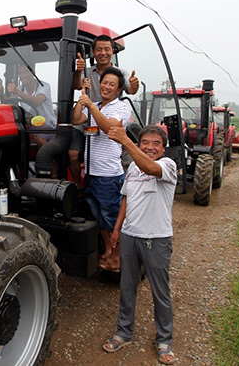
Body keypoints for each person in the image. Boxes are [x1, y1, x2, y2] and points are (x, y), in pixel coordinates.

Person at [103, 124, 177, 365]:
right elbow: (126, 197)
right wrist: (116, 229)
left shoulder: (167, 166)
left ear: (163, 149)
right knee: (127, 287)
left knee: (160, 291)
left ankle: (164, 339)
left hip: (156, 238)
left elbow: (150, 167)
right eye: (145, 142)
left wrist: (126, 141)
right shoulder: (133, 166)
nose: (150, 147)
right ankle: (124, 332)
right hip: (130, 236)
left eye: (156, 143)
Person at [72, 67, 131, 272]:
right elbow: (76, 119)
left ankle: (118, 257)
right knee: (99, 216)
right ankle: (108, 250)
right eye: (104, 82)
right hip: (91, 172)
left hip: (109, 175)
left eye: (111, 84)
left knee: (111, 217)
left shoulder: (121, 107)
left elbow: (110, 129)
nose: (106, 86)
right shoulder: (94, 104)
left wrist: (91, 107)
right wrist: (82, 98)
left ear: (118, 89)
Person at [69, 35, 140, 187]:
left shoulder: (121, 73)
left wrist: (135, 85)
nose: (103, 53)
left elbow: (131, 89)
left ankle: (127, 187)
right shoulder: (87, 72)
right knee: (73, 153)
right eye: (99, 49)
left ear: (112, 51)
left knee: (118, 150)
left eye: (107, 49)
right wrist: (78, 71)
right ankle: (77, 186)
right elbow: (76, 86)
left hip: (108, 118)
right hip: (87, 117)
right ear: (93, 52)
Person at [6, 64, 56, 148]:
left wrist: (16, 91)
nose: (22, 76)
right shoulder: (19, 88)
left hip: (50, 128)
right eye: (20, 73)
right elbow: (10, 101)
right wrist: (0, 93)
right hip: (34, 130)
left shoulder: (44, 86)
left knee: (51, 151)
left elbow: (36, 101)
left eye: (26, 72)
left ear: (33, 73)